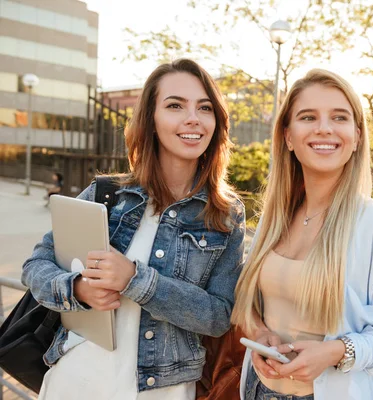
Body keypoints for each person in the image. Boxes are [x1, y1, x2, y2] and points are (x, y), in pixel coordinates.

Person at [21, 58, 245, 400]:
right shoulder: (106, 195)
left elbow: (218, 316)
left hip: (165, 391)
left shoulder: (225, 215)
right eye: (174, 106)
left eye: (205, 108)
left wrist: (135, 280)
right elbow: (35, 267)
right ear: (151, 120)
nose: (193, 118)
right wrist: (77, 289)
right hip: (77, 380)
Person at [231, 69, 373, 400]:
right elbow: (252, 304)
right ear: (288, 136)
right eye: (308, 116)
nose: (324, 128)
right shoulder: (275, 219)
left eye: (339, 117)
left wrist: (335, 352)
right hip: (258, 390)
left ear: (357, 136)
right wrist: (260, 333)